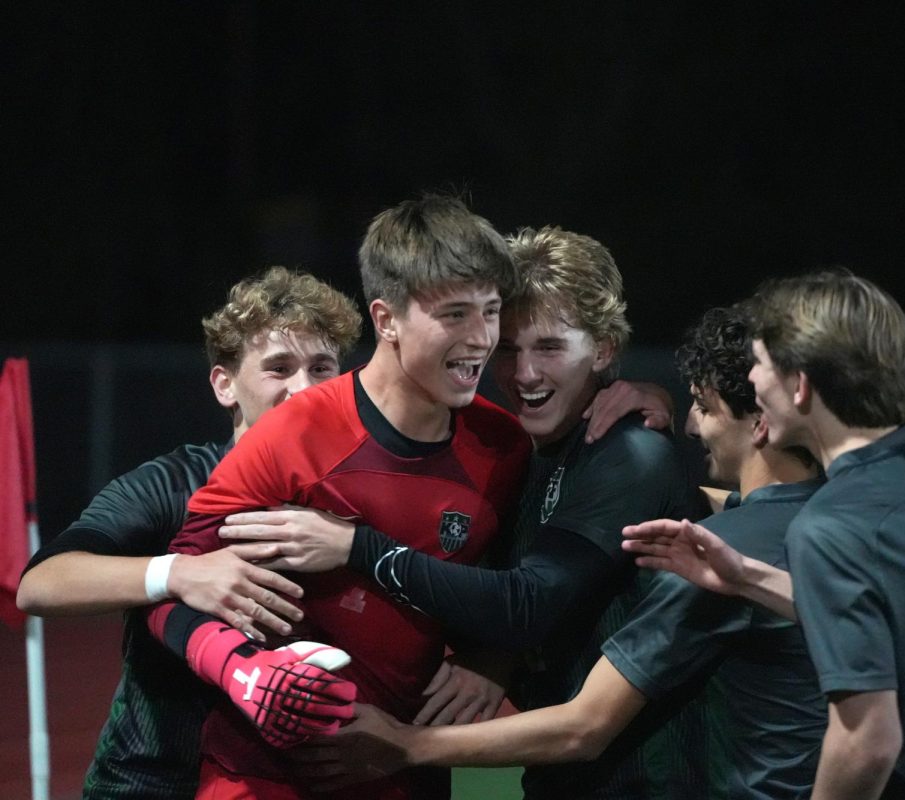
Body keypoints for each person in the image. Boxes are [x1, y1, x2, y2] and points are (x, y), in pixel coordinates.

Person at [222, 226, 703, 799]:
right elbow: (504, 587)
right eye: (508, 348)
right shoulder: (523, 455)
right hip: (565, 782)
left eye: (549, 348)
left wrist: (357, 546)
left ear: (602, 350)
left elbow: (531, 604)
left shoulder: (629, 451)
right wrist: (492, 656)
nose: (524, 373)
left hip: (650, 782)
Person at [287, 305, 827, 798]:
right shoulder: (823, 524)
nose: (688, 424)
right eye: (507, 349)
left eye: (704, 407)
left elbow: (585, 726)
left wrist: (406, 745)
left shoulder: (717, 553)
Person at [146, 195, 531, 800]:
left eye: (491, 310)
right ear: (386, 321)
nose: (482, 337)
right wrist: (242, 669)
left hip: (408, 771)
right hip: (264, 774)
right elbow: (175, 592)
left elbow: (519, 589)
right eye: (454, 314)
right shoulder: (294, 433)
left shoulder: (504, 445)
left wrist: (493, 660)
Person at [624, 270, 905, 799]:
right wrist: (748, 577)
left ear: (801, 386)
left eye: (761, 364)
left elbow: (868, 741)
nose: (755, 383)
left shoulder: (833, 523)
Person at [15, 266, 363, 799]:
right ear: (225, 385)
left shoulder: (360, 499)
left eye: (322, 367)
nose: (306, 389)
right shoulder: (173, 484)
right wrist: (179, 571)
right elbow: (42, 583)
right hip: (149, 784)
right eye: (279, 368)